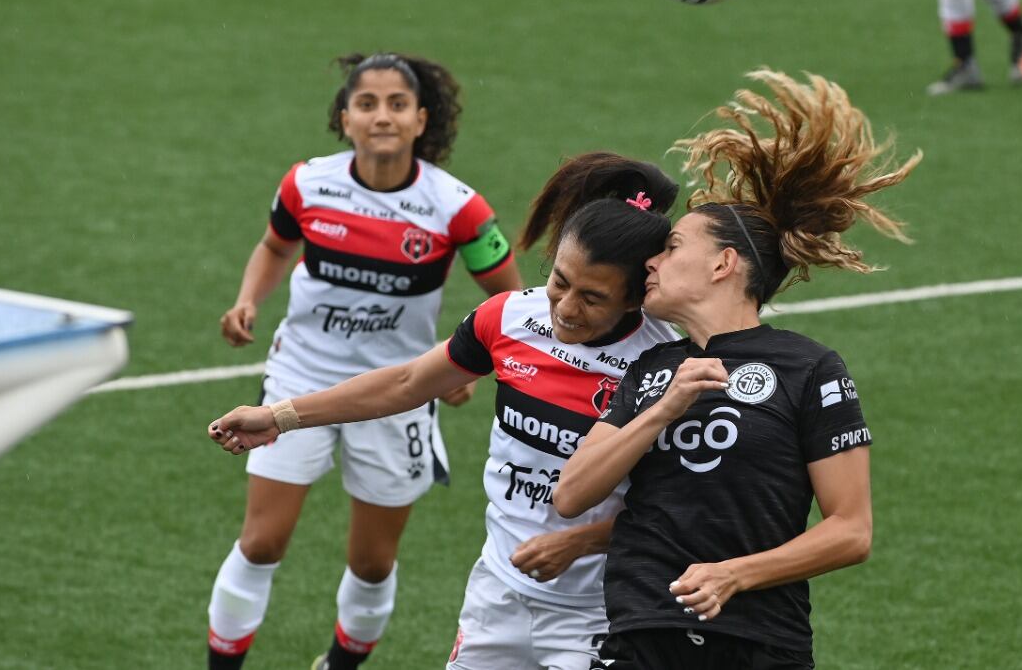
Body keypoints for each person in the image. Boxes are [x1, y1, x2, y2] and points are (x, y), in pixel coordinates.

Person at [209, 153, 683, 670]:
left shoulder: (664, 364)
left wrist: (583, 541)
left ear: (638, 297)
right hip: (495, 596)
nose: (566, 308)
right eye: (560, 282)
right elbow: (408, 382)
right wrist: (278, 416)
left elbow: (686, 509)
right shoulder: (508, 318)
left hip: (597, 613)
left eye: (593, 298)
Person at [556, 71, 922, 670]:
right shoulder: (654, 367)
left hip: (755, 645)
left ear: (724, 264)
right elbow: (572, 492)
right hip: (639, 635)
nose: (651, 259)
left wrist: (734, 575)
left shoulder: (810, 369)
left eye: (672, 247)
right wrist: (664, 410)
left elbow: (852, 531)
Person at [206, 51, 522, 670]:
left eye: (397, 104)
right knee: (262, 541)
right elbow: (274, 246)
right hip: (300, 371)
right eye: (367, 104)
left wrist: (460, 364)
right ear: (345, 118)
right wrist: (247, 300)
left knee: (373, 561)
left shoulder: (459, 208)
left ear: (422, 120)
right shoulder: (306, 183)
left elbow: (510, 304)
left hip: (398, 391)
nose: (383, 116)